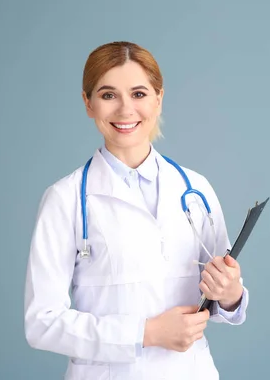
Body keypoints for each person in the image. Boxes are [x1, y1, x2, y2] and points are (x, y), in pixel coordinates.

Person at [23, 41, 249, 379]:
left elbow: (218, 296)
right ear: (88, 103)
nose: (126, 110)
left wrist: (231, 294)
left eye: (139, 94)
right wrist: (147, 333)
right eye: (109, 95)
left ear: (159, 98)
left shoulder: (196, 189)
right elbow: (42, 323)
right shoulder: (65, 198)